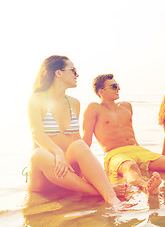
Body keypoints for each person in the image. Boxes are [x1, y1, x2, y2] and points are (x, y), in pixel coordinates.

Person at [27, 55, 126, 208]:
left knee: (79, 144)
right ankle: (104, 192)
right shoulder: (36, 99)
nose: (77, 75)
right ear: (58, 73)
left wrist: (94, 175)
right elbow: (37, 133)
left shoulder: (74, 103)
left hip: (69, 173)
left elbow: (77, 142)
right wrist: (58, 153)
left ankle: (112, 199)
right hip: (45, 176)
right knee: (38, 154)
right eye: (73, 70)